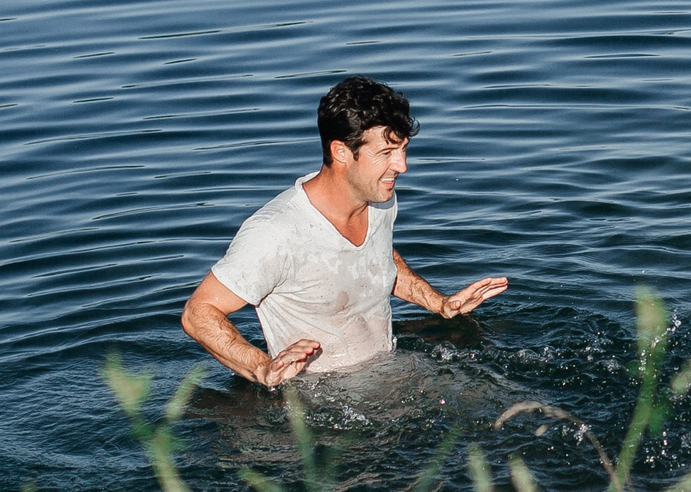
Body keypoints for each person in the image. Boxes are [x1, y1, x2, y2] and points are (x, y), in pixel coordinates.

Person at [180, 75, 506, 385]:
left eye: (403, 149)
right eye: (386, 153)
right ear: (341, 152)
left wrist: (439, 303)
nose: (402, 165)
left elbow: (377, 259)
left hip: (392, 377)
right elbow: (198, 313)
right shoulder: (275, 233)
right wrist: (262, 367)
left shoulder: (380, 200)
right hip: (323, 407)